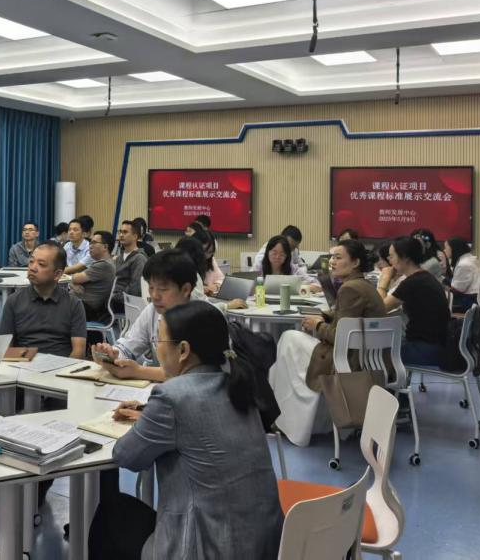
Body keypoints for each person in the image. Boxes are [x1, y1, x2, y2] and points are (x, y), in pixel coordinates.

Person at [88, 301, 283, 560]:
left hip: (206, 547)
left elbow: (127, 456)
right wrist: (149, 416)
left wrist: (147, 422)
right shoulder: (238, 386)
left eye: (159, 341)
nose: (156, 349)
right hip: (264, 544)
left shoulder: (172, 396)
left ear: (183, 350)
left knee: (110, 514)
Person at [269, 240, 387, 446]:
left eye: (338, 257)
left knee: (289, 339)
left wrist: (317, 325)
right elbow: (348, 320)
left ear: (355, 262)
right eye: (332, 257)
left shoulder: (350, 288)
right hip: (370, 360)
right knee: (290, 349)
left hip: (348, 359)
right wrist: (325, 316)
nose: (332, 261)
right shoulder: (364, 285)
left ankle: (291, 423)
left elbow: (341, 336)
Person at [93, 249, 196, 383]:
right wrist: (113, 354)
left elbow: (195, 374)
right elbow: (128, 347)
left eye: (163, 289)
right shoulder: (152, 310)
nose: (154, 296)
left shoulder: (206, 317)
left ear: (186, 289)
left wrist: (139, 371)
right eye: (151, 288)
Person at [0, 242, 86, 358]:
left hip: (62, 364)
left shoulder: (73, 304)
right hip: (24, 364)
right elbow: (4, 347)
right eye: (31, 261)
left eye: (41, 264)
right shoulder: (14, 301)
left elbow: (79, 351)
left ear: (57, 274)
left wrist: (65, 369)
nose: (32, 268)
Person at [378, 236, 449, 366]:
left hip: (426, 349)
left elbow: (379, 309)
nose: (389, 260)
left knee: (373, 353)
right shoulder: (424, 277)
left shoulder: (412, 282)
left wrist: (384, 281)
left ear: (405, 257)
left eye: (391, 256)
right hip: (439, 345)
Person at [69, 230, 116, 324]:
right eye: (90, 242)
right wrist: (72, 284)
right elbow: (74, 279)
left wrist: (73, 281)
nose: (90, 246)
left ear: (105, 247)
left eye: (94, 243)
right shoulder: (104, 263)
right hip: (80, 305)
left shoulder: (103, 265)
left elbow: (75, 278)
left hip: (85, 309)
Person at [111, 220, 147, 311]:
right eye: (120, 232)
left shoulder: (139, 259)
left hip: (125, 305)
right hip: (113, 300)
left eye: (125, 232)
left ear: (135, 236)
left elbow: (135, 289)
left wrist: (114, 296)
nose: (121, 235)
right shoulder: (119, 258)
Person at [445, 238, 480, 313]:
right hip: (476, 299)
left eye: (446, 248)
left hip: (468, 301)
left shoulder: (463, 264)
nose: (444, 251)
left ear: (454, 249)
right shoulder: (472, 259)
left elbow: (457, 290)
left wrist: (443, 284)